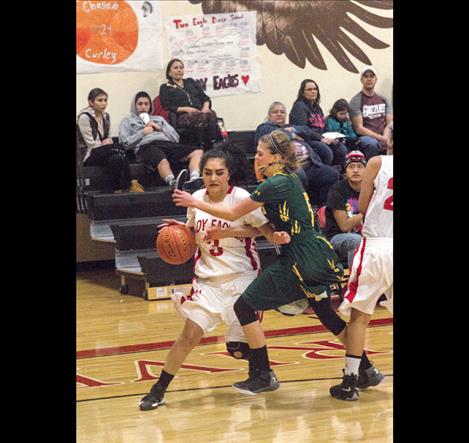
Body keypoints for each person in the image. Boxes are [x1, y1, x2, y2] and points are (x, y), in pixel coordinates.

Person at [173, 130, 383, 395]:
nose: (257, 157)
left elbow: (231, 212)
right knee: (326, 315)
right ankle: (366, 369)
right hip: (310, 252)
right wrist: (274, 232)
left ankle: (263, 375)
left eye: (261, 153)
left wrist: (194, 201)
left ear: (277, 157)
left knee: (244, 306)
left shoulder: (277, 183)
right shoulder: (283, 180)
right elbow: (266, 225)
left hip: (301, 258)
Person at [139, 144, 292, 410]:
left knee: (236, 350)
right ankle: (158, 388)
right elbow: (192, 230)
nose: (213, 178)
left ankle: (263, 372)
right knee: (188, 337)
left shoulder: (241, 197)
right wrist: (181, 232)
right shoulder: (197, 198)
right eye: (208, 172)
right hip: (208, 281)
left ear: (228, 174)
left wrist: (234, 233)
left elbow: (262, 230)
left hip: (241, 277)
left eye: (219, 173)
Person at [330, 127, 393, 401]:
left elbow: (364, 206)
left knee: (359, 317)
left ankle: (350, 381)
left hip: (377, 245)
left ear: (389, 141)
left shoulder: (377, 162)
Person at [255, 101, 339, 206]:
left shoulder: (290, 126)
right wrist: (293, 134)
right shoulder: (264, 127)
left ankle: (323, 208)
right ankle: (302, 207)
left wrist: (293, 129)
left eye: (282, 112)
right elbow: (274, 135)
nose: (279, 114)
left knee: (332, 174)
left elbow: (306, 130)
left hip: (309, 163)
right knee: (299, 176)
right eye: (275, 112)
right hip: (287, 166)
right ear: (269, 115)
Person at [119, 91, 205, 191]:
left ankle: (194, 179)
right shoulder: (128, 121)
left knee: (198, 151)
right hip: (146, 145)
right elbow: (124, 143)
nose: (143, 107)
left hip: (166, 143)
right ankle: (173, 183)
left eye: (146, 104)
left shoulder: (158, 119)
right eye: (140, 104)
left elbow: (175, 138)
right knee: (162, 159)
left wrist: (161, 128)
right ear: (134, 105)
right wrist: (142, 132)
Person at [77, 88, 144, 193]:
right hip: (88, 154)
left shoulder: (106, 116)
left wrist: (108, 144)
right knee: (120, 148)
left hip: (104, 151)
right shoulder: (84, 117)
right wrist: (107, 145)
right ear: (91, 102)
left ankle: (116, 189)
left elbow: (108, 138)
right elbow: (90, 144)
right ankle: (131, 182)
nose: (103, 103)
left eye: (105, 100)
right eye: (100, 100)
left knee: (115, 158)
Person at [159, 58, 220, 150]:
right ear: (169, 73)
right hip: (183, 116)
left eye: (181, 67)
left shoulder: (190, 82)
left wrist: (205, 107)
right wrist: (186, 109)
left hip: (201, 112)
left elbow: (205, 98)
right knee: (202, 117)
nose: (179, 70)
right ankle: (201, 145)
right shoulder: (165, 87)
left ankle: (212, 144)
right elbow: (166, 105)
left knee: (212, 114)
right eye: (176, 68)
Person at [322, 151, 366, 270]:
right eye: (351, 167)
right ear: (345, 171)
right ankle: (354, 280)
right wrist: (368, 210)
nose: (355, 170)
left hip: (367, 234)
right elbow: (345, 226)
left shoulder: (372, 189)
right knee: (356, 240)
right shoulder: (337, 191)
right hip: (337, 237)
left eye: (360, 167)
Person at [289, 79, 348, 169]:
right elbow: (303, 130)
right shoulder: (299, 107)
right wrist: (321, 138)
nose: (313, 91)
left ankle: (339, 174)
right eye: (309, 89)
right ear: (303, 93)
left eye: (315, 89)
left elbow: (324, 126)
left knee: (341, 148)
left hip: (321, 138)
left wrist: (331, 137)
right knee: (326, 151)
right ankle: (325, 174)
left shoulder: (317, 108)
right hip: (307, 140)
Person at [349, 67, 393, 160]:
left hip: (384, 134)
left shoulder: (383, 99)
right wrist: (381, 138)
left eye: (372, 76)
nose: (369, 79)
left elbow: (390, 123)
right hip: (365, 137)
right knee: (372, 144)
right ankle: (372, 171)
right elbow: (359, 129)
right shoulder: (355, 101)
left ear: (376, 79)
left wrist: (385, 136)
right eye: (366, 76)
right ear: (361, 80)